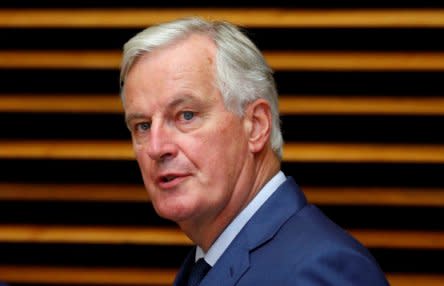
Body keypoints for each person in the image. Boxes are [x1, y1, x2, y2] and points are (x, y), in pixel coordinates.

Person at [120, 17, 389, 286]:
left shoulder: (320, 269)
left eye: (186, 115)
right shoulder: (206, 262)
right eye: (142, 126)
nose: (156, 147)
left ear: (256, 126)